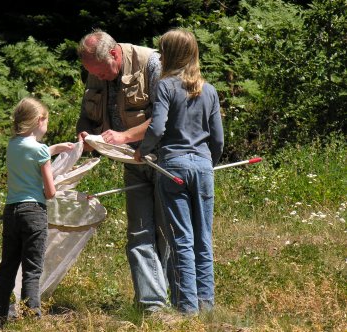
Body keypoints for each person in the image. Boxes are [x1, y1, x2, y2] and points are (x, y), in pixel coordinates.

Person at [76, 29, 169, 313]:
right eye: (95, 74)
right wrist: (84, 134)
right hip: (132, 164)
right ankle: (152, 307)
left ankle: (178, 300)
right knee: (139, 233)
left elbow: (164, 116)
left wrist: (124, 136)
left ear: (114, 53)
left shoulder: (151, 63)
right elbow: (86, 114)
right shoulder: (95, 69)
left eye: (103, 72)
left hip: (162, 160)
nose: (99, 78)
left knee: (166, 234)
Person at [134, 28, 224, 314]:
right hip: (203, 165)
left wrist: (142, 150)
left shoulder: (165, 86)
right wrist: (208, 162)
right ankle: (206, 306)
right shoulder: (209, 90)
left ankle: (187, 308)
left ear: (168, 55)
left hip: (173, 167)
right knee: (203, 239)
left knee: (182, 239)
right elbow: (218, 139)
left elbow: (157, 127)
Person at [0, 97, 73, 327]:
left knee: (7, 267)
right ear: (38, 120)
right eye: (47, 121)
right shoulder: (40, 150)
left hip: (11, 212)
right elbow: (50, 192)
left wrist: (55, 149)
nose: (47, 126)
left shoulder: (12, 144)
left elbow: (32, 155)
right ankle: (31, 321)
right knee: (32, 271)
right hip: (34, 213)